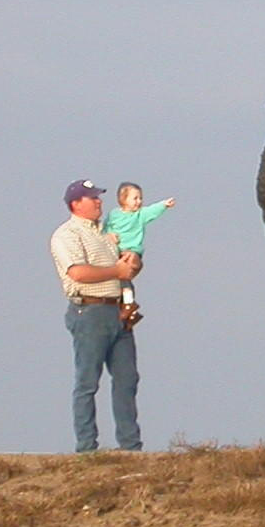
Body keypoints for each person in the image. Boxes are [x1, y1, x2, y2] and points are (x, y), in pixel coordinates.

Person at [50, 180, 143, 452]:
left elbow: (128, 265)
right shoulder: (66, 235)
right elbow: (77, 273)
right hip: (89, 311)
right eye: (92, 198)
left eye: (98, 198)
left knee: (127, 379)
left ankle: (130, 445)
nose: (99, 202)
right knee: (88, 381)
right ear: (76, 203)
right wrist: (117, 272)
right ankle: (87, 447)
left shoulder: (107, 233)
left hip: (119, 310)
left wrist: (132, 262)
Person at [102, 181, 176, 325]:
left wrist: (164, 205)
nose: (139, 202)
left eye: (140, 198)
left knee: (125, 276)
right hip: (116, 251)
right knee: (117, 278)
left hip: (131, 251)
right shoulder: (114, 214)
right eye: (135, 198)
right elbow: (105, 228)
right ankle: (125, 306)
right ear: (123, 199)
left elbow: (151, 211)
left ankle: (129, 304)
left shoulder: (140, 215)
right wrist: (108, 236)